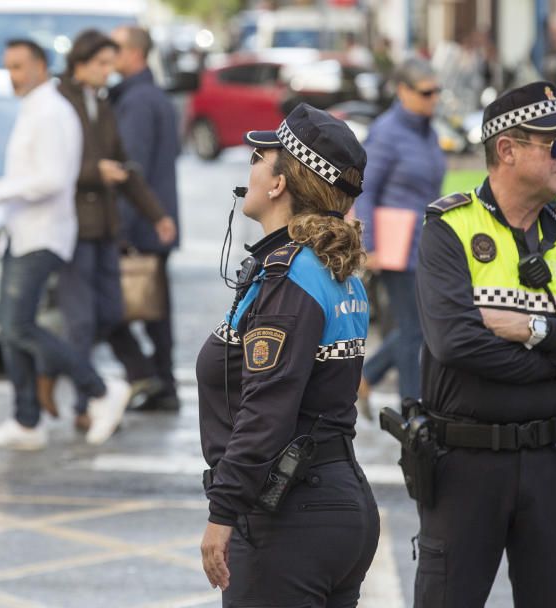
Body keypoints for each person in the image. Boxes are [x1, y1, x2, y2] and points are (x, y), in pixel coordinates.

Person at [413, 81, 556, 607]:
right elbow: (456, 344)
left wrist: (535, 330)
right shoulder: (449, 228)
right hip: (464, 463)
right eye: (555, 144)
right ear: (507, 150)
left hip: (553, 460)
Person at [198, 103, 380, 606]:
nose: (250, 167)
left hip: (291, 517)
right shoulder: (327, 268)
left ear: (279, 184)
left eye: (260, 157)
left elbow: (266, 410)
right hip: (332, 502)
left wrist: (223, 513)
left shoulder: (290, 278)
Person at [0, 39, 116, 450]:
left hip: (42, 233)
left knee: (20, 327)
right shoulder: (35, 108)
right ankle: (27, 421)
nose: (12, 76)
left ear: (39, 66)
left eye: (18, 66)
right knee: (11, 331)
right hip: (22, 232)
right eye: (8, 67)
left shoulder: (50, 111)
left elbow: (52, 179)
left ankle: (102, 389)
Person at [56, 29, 177, 444]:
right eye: (103, 64)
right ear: (81, 62)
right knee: (82, 321)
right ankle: (87, 403)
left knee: (110, 313)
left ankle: (136, 376)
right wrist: (94, 173)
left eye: (113, 62)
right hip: (73, 228)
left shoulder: (104, 102)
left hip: (104, 229)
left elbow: (125, 166)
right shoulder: (61, 102)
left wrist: (156, 214)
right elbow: (54, 165)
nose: (109, 73)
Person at [354, 57, 446, 417]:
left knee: (421, 324)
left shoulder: (428, 129)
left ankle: (367, 376)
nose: (434, 98)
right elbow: (366, 189)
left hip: (424, 245)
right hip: (394, 245)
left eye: (437, 91)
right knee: (413, 329)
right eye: (426, 92)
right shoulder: (387, 132)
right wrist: (370, 244)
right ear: (403, 91)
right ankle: (412, 411)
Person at [108, 25, 182, 412]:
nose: (108, 53)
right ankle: (161, 383)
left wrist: (119, 228)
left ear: (135, 53)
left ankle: (151, 379)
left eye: (115, 47)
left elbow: (128, 172)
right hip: (154, 221)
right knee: (155, 313)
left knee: (110, 309)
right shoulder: (151, 96)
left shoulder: (137, 101)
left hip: (142, 225)